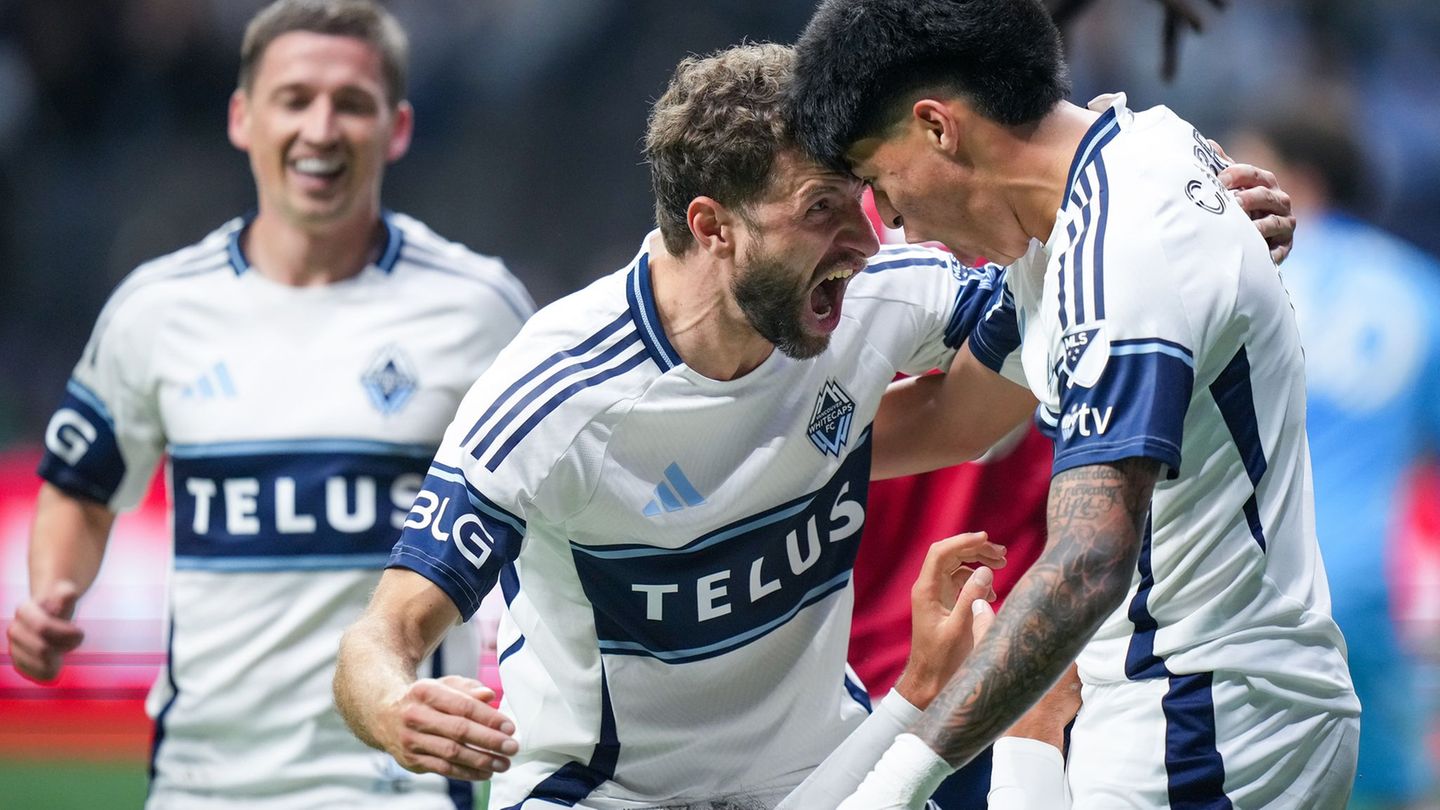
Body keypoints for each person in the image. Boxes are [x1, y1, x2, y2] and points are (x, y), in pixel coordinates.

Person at [332, 42, 1294, 809]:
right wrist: (393, 708)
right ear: (713, 228)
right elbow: (382, 635)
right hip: (604, 789)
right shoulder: (554, 393)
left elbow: (1031, 309)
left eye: (864, 201)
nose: (869, 239)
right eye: (823, 210)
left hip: (823, 772)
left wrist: (1184, 212)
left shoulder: (870, 293)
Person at [786, 0, 1358, 807]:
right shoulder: (1107, 177)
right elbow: (961, 416)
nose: (901, 226)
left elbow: (1089, 559)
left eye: (883, 182)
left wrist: (896, 783)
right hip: (1220, 703)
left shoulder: (1122, 243)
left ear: (938, 127)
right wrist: (762, 452)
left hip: (1199, 724)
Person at [5, 1, 532, 808]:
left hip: (398, 787)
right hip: (202, 786)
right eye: (294, 98)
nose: (321, 128)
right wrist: (53, 595)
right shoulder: (157, 310)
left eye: (350, 103)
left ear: (395, 127)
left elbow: (560, 505)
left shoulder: (478, 308)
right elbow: (80, 488)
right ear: (243, 118)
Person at [1230, 114, 1440, 809]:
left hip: (1240, 579)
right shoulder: (1422, 292)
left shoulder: (1237, 268)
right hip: (1369, 588)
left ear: (1298, 182)